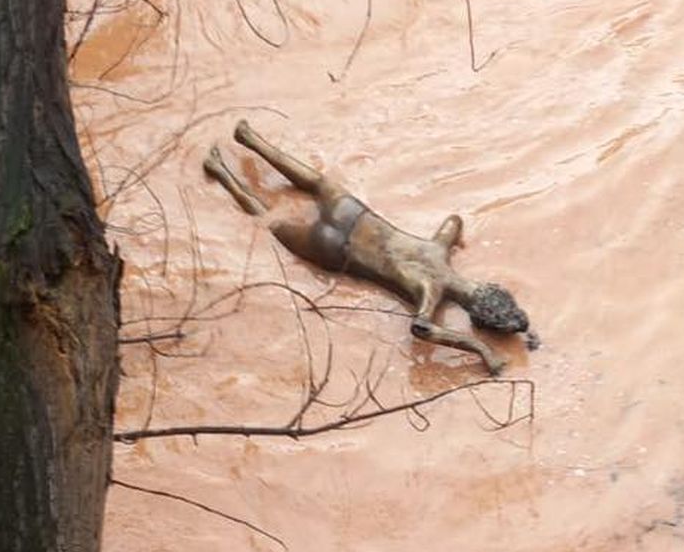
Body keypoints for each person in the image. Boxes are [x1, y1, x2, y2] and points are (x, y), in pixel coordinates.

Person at [204, 120, 531, 375]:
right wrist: (481, 350)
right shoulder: (430, 289)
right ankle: (221, 170)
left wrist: (458, 240)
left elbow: (454, 219)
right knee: (271, 221)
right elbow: (422, 328)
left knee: (316, 182)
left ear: (488, 286)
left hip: (357, 216)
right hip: (337, 249)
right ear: (473, 315)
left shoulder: (439, 248)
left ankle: (250, 138)